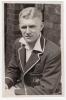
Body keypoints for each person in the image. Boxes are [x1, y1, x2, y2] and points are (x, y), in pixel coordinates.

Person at [5, 7, 61, 95]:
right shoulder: (18, 44)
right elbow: (13, 69)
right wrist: (6, 83)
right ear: (19, 27)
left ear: (41, 26)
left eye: (32, 26)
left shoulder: (53, 52)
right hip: (22, 88)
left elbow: (47, 89)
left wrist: (14, 92)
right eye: (23, 27)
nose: (27, 31)